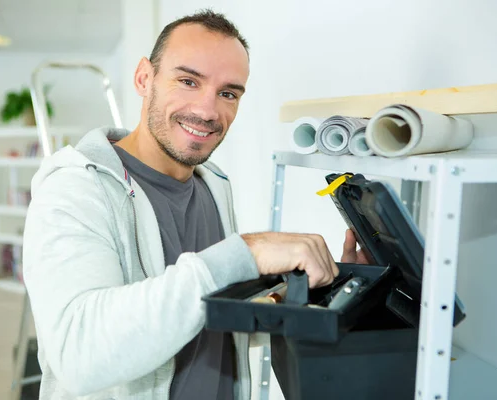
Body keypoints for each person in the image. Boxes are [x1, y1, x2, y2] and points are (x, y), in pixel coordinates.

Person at [23, 9, 366, 400]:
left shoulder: (212, 184)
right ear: (144, 79)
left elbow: (206, 321)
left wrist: (317, 294)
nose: (207, 111)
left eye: (228, 93)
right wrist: (247, 252)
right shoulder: (75, 187)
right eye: (188, 81)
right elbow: (78, 354)